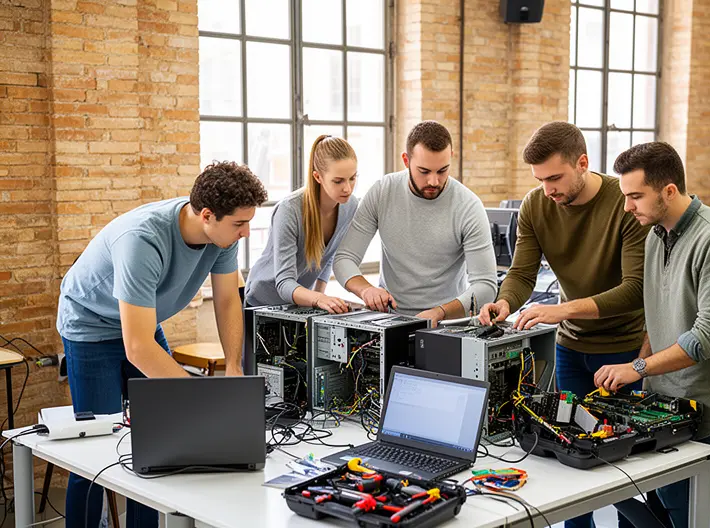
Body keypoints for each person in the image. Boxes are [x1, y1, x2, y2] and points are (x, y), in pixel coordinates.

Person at [56, 161, 267, 528]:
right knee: (92, 451)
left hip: (141, 322)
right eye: (239, 224)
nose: (246, 232)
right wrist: (199, 402)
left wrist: (235, 367)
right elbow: (137, 347)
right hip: (90, 324)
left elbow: (228, 300)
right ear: (206, 215)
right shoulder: (142, 239)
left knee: (161, 441)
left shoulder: (222, 237)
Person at [478, 122, 650, 528]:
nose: (547, 189)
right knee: (571, 463)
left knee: (632, 469)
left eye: (555, 177)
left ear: (583, 163)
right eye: (539, 180)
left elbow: (635, 290)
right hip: (572, 351)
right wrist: (503, 302)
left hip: (626, 351)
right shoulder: (537, 205)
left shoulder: (621, 202)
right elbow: (521, 274)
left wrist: (562, 311)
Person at [594, 141, 710, 528]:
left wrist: (637, 367)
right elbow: (659, 318)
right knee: (675, 514)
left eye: (635, 196)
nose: (627, 207)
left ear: (668, 191)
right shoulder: (656, 235)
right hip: (669, 409)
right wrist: (644, 370)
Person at [333, 120, 496, 326]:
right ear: (406, 160)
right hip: (390, 320)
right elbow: (343, 259)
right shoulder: (383, 192)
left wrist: (441, 312)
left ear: (451, 158)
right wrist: (366, 289)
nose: (434, 181)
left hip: (448, 324)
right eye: (424, 171)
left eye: (442, 170)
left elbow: (486, 286)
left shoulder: (469, 206)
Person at [245, 135, 359, 313]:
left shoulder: (350, 206)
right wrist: (319, 299)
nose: (348, 188)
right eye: (338, 181)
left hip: (300, 304)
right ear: (318, 177)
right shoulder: (289, 210)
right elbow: (283, 282)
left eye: (352, 178)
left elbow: (326, 259)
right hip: (262, 302)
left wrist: (321, 306)